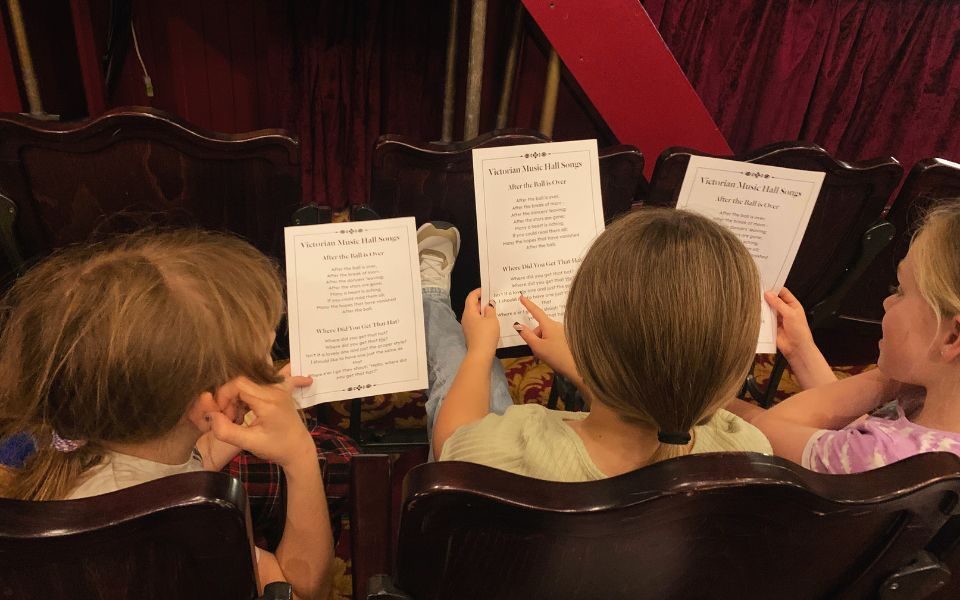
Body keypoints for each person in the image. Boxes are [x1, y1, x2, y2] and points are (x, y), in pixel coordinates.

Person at [0, 230, 333, 600]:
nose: (271, 367)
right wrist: (300, 456)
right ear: (209, 404)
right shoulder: (189, 530)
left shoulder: (74, 444)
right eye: (266, 353)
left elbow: (175, 466)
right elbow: (299, 590)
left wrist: (229, 424)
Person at [419, 208, 772, 482]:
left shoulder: (511, 448)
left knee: (468, 370)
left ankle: (430, 296)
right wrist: (583, 370)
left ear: (584, 337)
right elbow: (658, 399)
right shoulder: (749, 452)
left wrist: (481, 351)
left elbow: (451, 440)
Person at [727, 201, 960, 474]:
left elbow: (765, 430)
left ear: (952, 337)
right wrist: (801, 351)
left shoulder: (884, 460)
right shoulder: (926, 421)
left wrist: (889, 377)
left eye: (900, 290)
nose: (887, 302)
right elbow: (851, 431)